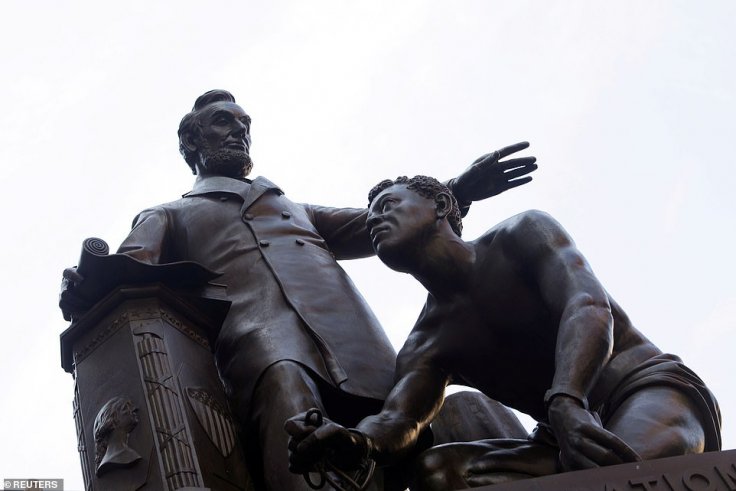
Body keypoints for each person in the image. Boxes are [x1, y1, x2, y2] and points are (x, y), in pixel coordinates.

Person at [59, 90, 537, 490]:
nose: (238, 130)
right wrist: (87, 283)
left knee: (452, 414)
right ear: (192, 141)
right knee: (291, 395)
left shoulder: (290, 205)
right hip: (262, 352)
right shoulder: (168, 214)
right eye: (223, 121)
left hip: (357, 350)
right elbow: (126, 269)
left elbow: (375, 222)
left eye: (244, 123)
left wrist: (457, 189)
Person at [286, 176, 721, 490]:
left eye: (389, 205)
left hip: (645, 390)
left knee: (626, 473)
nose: (375, 220)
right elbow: (399, 419)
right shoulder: (427, 342)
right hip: (560, 441)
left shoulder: (522, 235)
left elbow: (587, 307)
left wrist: (567, 400)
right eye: (371, 216)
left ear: (440, 203)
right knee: (440, 473)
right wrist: (355, 440)